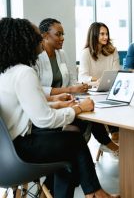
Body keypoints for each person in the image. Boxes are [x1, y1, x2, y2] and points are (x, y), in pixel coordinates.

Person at [0, 17, 119, 198]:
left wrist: (60, 104)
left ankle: (91, 193)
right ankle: (95, 193)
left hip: (6, 149)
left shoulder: (7, 71)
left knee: (68, 147)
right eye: (37, 38)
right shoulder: (24, 73)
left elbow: (25, 106)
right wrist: (78, 109)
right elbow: (45, 119)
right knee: (74, 141)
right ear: (23, 42)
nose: (40, 40)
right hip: (18, 151)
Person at [34, 18, 119, 158]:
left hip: (67, 99)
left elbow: (72, 80)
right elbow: (37, 89)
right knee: (84, 118)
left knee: (91, 106)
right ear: (45, 36)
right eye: (58, 34)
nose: (62, 38)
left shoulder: (61, 54)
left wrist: (78, 87)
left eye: (63, 34)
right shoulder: (37, 58)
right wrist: (69, 90)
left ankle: (82, 151)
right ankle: (95, 146)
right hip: (49, 104)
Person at [78, 22, 120, 143]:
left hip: (109, 90)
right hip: (93, 92)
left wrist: (106, 81)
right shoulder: (86, 53)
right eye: (102, 34)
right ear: (94, 35)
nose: (106, 37)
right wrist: (98, 80)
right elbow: (82, 77)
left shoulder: (113, 51)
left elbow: (116, 73)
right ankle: (108, 141)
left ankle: (115, 135)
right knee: (95, 111)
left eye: (106, 34)